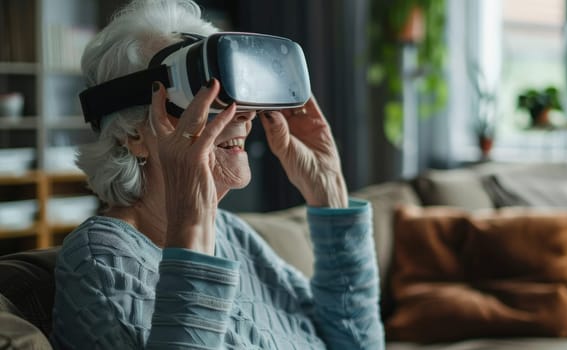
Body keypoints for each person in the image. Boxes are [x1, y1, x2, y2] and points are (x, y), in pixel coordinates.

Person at [50, 0, 384, 349]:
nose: (244, 115)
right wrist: (191, 232)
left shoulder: (232, 234)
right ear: (133, 135)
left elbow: (357, 344)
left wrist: (328, 193)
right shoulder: (100, 260)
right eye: (205, 94)